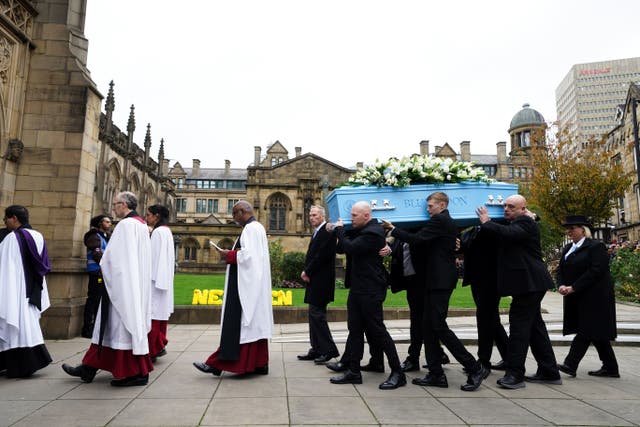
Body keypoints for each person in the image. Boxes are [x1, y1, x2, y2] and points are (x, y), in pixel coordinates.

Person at [384, 192, 488, 392]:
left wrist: (393, 228)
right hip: (433, 280)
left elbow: (417, 240)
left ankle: (474, 367)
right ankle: (436, 373)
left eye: (430, 206)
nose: (427, 209)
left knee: (438, 326)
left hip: (440, 281)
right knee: (427, 326)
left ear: (442, 205)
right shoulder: (442, 221)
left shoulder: (440, 220)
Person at [63, 191, 153, 387]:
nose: (113, 208)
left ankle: (135, 372)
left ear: (124, 205)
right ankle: (88, 368)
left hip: (121, 287)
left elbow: (114, 259)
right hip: (132, 284)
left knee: (120, 328)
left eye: (115, 204)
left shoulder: (126, 226)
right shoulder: (141, 225)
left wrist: (102, 259)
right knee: (108, 328)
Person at [476, 194, 561, 389]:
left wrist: (487, 221)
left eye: (511, 206)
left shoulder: (524, 222)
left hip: (529, 284)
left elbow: (510, 234)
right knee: (534, 327)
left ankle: (515, 374)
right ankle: (549, 371)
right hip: (529, 283)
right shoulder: (520, 221)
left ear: (523, 209)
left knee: (519, 329)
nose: (506, 209)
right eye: (505, 205)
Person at [328, 201, 406, 390]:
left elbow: (350, 248)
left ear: (366, 216)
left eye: (354, 215)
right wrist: (335, 230)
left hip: (371, 288)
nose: (351, 218)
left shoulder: (373, 232)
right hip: (358, 287)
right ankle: (353, 371)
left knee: (378, 330)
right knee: (354, 329)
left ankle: (398, 372)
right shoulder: (362, 229)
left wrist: (339, 230)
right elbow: (342, 247)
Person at [193, 200, 273, 376]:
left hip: (244, 286)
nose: (233, 217)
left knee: (238, 325)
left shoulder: (251, 229)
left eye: (235, 213)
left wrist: (227, 254)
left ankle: (217, 363)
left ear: (243, 211)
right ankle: (259, 364)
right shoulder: (257, 227)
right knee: (253, 326)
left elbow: (249, 257)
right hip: (252, 284)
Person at [556, 215, 619, 378]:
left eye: (572, 228)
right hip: (578, 296)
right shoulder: (568, 248)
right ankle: (611, 368)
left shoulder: (596, 246)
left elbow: (596, 271)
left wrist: (574, 287)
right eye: (568, 228)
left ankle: (570, 364)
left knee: (586, 329)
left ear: (583, 230)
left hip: (596, 296)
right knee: (596, 332)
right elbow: (560, 270)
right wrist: (562, 284)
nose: (569, 231)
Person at [383, 235, 450, 373]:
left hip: (423, 283)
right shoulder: (402, 236)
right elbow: (398, 251)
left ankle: (414, 358)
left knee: (420, 322)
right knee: (421, 321)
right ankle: (437, 353)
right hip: (412, 283)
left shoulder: (418, 234)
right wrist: (390, 243)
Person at [0, 205, 52, 377]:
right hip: (32, 289)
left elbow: (6, 267)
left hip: (15, 289)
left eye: (5, 218)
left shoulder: (12, 238)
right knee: (27, 324)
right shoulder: (38, 235)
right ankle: (30, 362)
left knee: (15, 323)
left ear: (14, 218)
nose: (5, 222)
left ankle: (20, 366)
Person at [459, 225, 509, 371]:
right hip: (477, 280)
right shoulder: (471, 231)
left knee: (485, 319)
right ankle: (509, 357)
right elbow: (463, 249)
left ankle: (484, 361)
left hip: (491, 281)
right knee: (492, 320)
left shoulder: (494, 230)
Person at [298, 205, 340, 364]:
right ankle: (316, 349)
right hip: (315, 280)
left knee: (318, 316)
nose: (311, 217)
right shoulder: (318, 232)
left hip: (321, 281)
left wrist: (307, 271)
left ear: (322, 216)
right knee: (313, 315)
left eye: (314, 215)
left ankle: (329, 350)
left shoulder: (327, 231)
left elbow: (322, 256)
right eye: (310, 214)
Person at [145, 205, 175, 362]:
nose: (147, 217)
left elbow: (152, 258)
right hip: (163, 281)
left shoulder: (158, 232)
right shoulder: (166, 231)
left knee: (154, 317)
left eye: (149, 215)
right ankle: (157, 346)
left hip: (155, 282)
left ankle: (152, 349)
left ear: (156, 216)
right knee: (159, 317)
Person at [81, 214, 112, 338]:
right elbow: (97, 254)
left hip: (102, 272)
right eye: (107, 222)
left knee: (99, 301)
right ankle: (87, 329)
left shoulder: (105, 237)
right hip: (96, 272)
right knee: (93, 301)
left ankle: (95, 328)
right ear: (100, 223)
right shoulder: (94, 236)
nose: (110, 224)